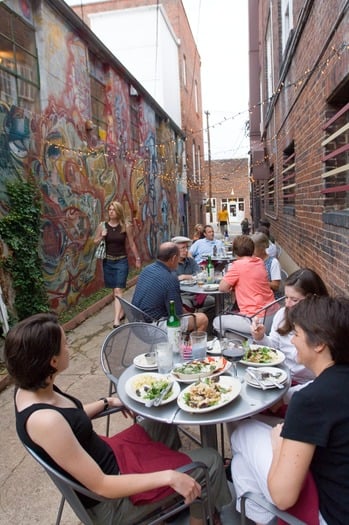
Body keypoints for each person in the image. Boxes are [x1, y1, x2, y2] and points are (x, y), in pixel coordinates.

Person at [5, 313, 236, 525]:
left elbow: (69, 418)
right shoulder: (45, 422)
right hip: (111, 502)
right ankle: (206, 510)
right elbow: (102, 486)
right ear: (52, 362)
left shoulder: (31, 388)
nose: (69, 348)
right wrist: (169, 477)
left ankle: (174, 496)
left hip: (109, 456)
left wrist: (108, 401)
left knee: (162, 421)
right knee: (210, 460)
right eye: (65, 345)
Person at [230, 295, 349, 525]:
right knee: (240, 464)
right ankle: (258, 517)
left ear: (319, 344)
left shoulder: (311, 400)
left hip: (331, 514)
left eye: (296, 334)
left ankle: (261, 517)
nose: (292, 341)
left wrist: (277, 446)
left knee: (243, 431)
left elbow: (283, 497)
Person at [251, 268, 329, 405]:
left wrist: (286, 397)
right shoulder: (282, 315)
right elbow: (273, 350)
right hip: (280, 378)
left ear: (312, 299)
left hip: (308, 389)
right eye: (286, 297)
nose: (287, 304)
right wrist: (260, 337)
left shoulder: (324, 326)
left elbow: (328, 379)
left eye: (294, 299)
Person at [132, 242, 208, 332]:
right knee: (202, 319)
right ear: (173, 258)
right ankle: (189, 345)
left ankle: (183, 340)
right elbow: (177, 314)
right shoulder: (170, 278)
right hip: (153, 327)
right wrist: (192, 315)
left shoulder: (147, 269)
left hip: (135, 323)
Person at [212, 235, 278, 335]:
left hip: (256, 319)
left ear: (235, 252)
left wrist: (232, 285)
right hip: (273, 315)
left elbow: (222, 288)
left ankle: (237, 345)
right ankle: (247, 340)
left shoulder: (237, 265)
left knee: (217, 321)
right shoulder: (259, 261)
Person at [94, 201, 141, 328]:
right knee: (114, 290)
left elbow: (131, 243)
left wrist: (137, 258)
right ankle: (120, 312)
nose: (111, 212)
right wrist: (102, 237)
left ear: (118, 211)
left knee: (118, 289)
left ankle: (116, 320)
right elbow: (95, 241)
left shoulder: (126, 226)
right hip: (108, 261)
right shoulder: (102, 226)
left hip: (121, 261)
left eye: (113, 209)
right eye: (109, 209)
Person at [171, 236, 215, 313]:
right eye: (183, 248)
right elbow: (172, 280)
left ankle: (200, 316)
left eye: (187, 247)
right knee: (185, 307)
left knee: (213, 301)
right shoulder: (171, 263)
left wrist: (184, 276)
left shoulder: (190, 261)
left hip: (196, 294)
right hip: (181, 295)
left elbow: (200, 275)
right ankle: (196, 317)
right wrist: (190, 277)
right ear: (175, 250)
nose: (186, 250)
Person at [251, 232, 281, 299]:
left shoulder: (273, 262)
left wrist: (259, 282)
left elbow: (276, 285)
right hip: (256, 296)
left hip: (269, 299)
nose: (251, 251)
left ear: (262, 247)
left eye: (254, 248)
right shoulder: (252, 260)